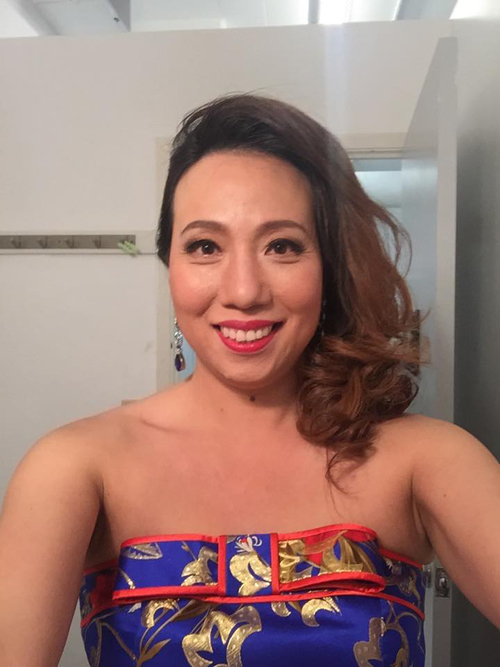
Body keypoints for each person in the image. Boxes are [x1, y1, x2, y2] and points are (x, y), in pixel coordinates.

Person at [0, 92, 499, 667]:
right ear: (171, 265)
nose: (243, 291)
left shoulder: (425, 461)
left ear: (329, 266)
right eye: (205, 246)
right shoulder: (75, 467)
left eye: (282, 246)